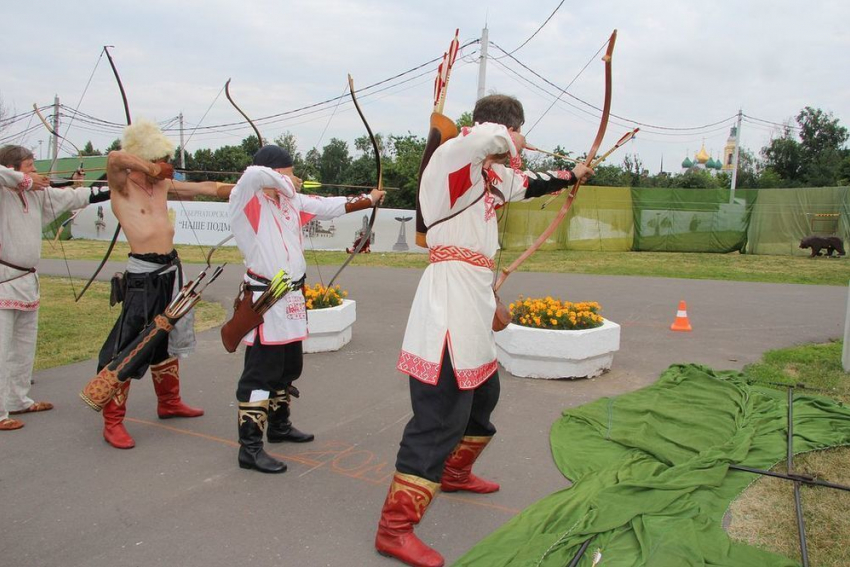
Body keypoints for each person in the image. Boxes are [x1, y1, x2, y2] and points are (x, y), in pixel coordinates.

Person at [374, 94, 594, 567]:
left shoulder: (488, 175)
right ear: (500, 130)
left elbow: (530, 183)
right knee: (440, 413)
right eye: (508, 137)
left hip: (473, 296)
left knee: (484, 393)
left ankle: (454, 472)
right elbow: (484, 139)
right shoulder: (451, 157)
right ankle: (395, 528)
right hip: (449, 298)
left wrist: (571, 175)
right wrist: (508, 138)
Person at [228, 145, 385, 473]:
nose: (293, 178)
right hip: (264, 299)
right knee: (260, 373)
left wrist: (367, 200)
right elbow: (254, 173)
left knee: (288, 367)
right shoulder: (247, 198)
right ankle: (249, 447)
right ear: (275, 171)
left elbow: (328, 206)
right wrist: (285, 180)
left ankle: (280, 426)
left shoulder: (291, 202)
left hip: (291, 296)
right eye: (287, 171)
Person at [92, 119, 230, 449]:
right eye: (160, 158)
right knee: (131, 345)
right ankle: (113, 421)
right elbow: (114, 158)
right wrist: (150, 166)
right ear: (146, 156)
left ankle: (169, 402)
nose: (166, 164)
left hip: (170, 270)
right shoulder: (122, 186)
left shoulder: (162, 186)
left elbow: (208, 189)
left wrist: (254, 187)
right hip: (142, 276)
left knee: (165, 341)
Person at [0, 146, 110, 431]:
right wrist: (22, 180)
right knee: (1, 348)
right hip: (3, 280)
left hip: (26, 282)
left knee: (23, 346)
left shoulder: (37, 195)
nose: (35, 172)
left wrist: (116, 183)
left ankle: (17, 399)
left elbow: (75, 195)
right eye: (29, 166)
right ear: (12, 169)